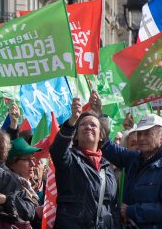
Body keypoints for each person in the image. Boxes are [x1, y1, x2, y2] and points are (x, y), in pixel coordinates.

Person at [100, 113, 162, 228]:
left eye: (147, 133)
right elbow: (108, 148)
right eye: (139, 133)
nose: (141, 138)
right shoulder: (134, 158)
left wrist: (132, 211)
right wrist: (99, 116)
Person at [50, 97, 119, 228]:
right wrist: (72, 121)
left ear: (101, 137)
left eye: (93, 125)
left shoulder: (107, 168)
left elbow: (112, 206)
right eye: (83, 124)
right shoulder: (69, 159)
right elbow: (57, 150)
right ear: (75, 135)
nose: (88, 127)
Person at [3, 137, 42, 228]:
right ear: (12, 163)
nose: (33, 164)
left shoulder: (26, 185)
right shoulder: (9, 186)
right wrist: (36, 212)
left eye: (33, 159)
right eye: (27, 159)